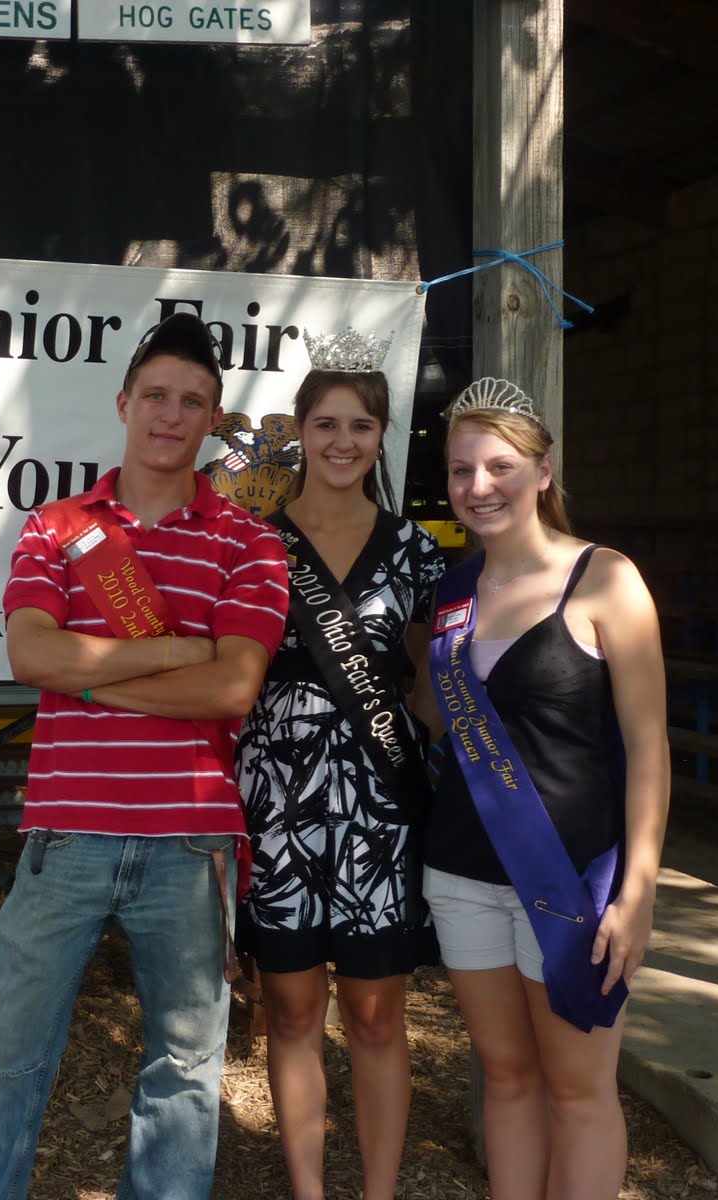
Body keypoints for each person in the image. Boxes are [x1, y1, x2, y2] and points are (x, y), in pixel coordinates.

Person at [0, 312, 290, 1200]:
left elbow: (232, 690)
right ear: (124, 402)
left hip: (192, 843)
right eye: (157, 396)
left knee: (183, 1078)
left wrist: (89, 681)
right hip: (67, 836)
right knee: (3, 1065)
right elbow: (31, 655)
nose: (171, 415)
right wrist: (175, 653)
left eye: (193, 402)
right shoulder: (58, 527)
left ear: (215, 421)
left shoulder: (251, 544)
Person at [422, 377, 669, 1200]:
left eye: (499, 466)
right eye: (461, 471)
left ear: (542, 471)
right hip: (462, 872)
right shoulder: (454, 593)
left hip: (571, 881)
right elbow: (439, 722)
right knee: (506, 1078)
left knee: (578, 1092)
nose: (478, 487)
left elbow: (648, 744)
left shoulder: (607, 579)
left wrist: (637, 891)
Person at [233, 331, 444, 1200]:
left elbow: (435, 685)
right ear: (301, 431)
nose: (342, 442)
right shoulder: (251, 544)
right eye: (326, 423)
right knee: (288, 1011)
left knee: (374, 1014)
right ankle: (310, 1191)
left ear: (382, 434)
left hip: (378, 814)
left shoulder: (418, 552)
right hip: (276, 804)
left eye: (361, 425)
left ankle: (379, 1192)